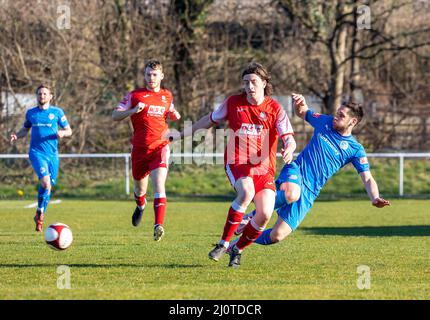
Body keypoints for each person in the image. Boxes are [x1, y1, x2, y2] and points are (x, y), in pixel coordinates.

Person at [172, 62, 296, 267]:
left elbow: (289, 137)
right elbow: (208, 120)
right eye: (246, 82)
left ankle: (236, 250)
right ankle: (223, 243)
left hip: (264, 168)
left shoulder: (275, 109)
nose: (249, 86)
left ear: (264, 83)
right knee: (246, 192)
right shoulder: (233, 103)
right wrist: (181, 134)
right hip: (237, 161)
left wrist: (289, 148)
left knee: (265, 213)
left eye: (254, 82)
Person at [234, 93, 390, 247]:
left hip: (311, 191)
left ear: (353, 121)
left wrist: (375, 197)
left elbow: (367, 178)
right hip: (296, 171)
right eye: (337, 113)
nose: (336, 117)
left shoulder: (355, 149)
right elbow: (302, 112)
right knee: (291, 193)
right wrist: (299, 104)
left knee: (277, 235)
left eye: (341, 116)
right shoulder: (325, 122)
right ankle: (251, 216)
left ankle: (240, 240)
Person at [112, 59, 181, 241]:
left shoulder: (167, 96)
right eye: (148, 74)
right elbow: (115, 115)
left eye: (155, 74)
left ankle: (158, 225)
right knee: (139, 189)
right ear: (144, 75)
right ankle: (141, 205)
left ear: (162, 76)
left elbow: (171, 111)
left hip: (160, 147)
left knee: (159, 185)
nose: (151, 78)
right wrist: (133, 110)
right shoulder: (135, 95)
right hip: (140, 151)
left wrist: (175, 115)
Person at [10, 84, 72, 232]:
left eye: (45, 94)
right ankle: (40, 213)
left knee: (48, 186)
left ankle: (40, 213)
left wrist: (62, 133)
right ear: (36, 96)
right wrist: (17, 135)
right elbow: (25, 129)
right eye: (39, 94)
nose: (42, 96)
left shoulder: (57, 112)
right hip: (36, 153)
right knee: (45, 182)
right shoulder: (31, 113)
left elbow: (69, 130)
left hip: (53, 155)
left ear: (50, 96)